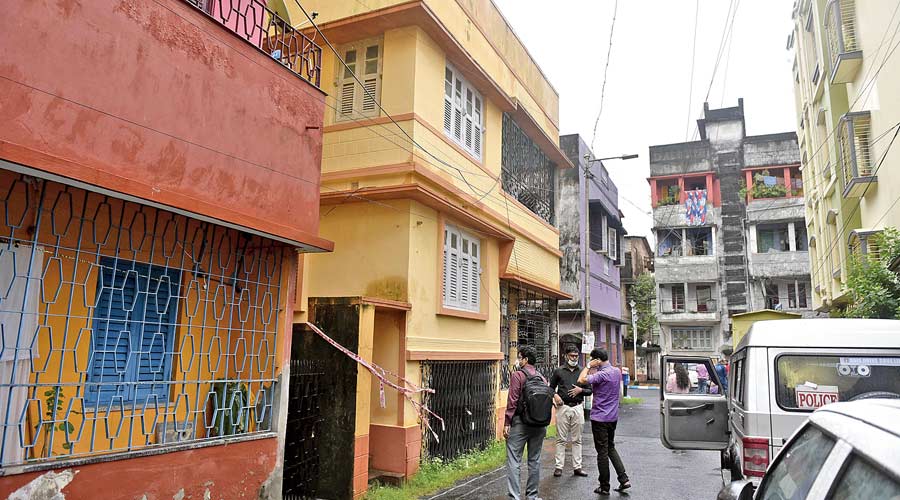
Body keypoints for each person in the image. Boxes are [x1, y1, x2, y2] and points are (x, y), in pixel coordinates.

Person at [578, 348, 631, 496]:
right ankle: (623, 478)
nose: (591, 363)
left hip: (600, 418)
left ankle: (604, 486)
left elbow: (581, 380)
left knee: (602, 452)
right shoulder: (616, 371)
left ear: (597, 360)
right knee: (610, 448)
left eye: (592, 360)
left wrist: (588, 367)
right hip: (612, 417)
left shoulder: (601, 374)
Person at [504, 345, 548, 500]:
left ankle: (515, 497)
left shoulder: (518, 375)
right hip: (539, 424)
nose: (518, 360)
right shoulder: (542, 377)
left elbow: (512, 401)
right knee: (534, 460)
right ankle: (532, 496)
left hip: (520, 424)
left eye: (519, 357)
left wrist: (507, 422)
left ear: (525, 360)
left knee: (514, 460)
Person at [549, 345, 592, 478]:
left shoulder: (582, 372)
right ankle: (559, 467)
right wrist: (555, 396)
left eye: (576, 356)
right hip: (563, 407)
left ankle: (577, 467)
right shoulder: (559, 371)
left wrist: (581, 390)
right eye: (572, 356)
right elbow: (550, 388)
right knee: (561, 439)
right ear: (566, 356)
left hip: (578, 407)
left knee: (577, 439)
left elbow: (590, 390)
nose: (574, 358)